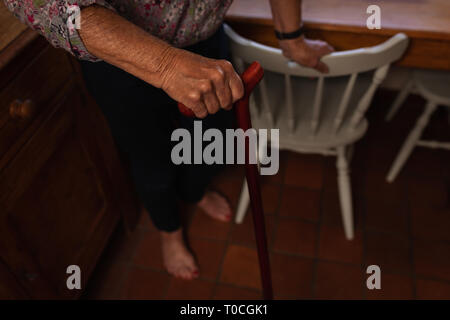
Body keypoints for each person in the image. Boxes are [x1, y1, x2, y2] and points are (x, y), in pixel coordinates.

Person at [5, 0, 334, 280]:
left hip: (205, 36)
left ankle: (195, 192)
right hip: (118, 54)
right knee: (151, 160)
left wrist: (291, 39)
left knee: (211, 146)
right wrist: (165, 65)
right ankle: (169, 231)